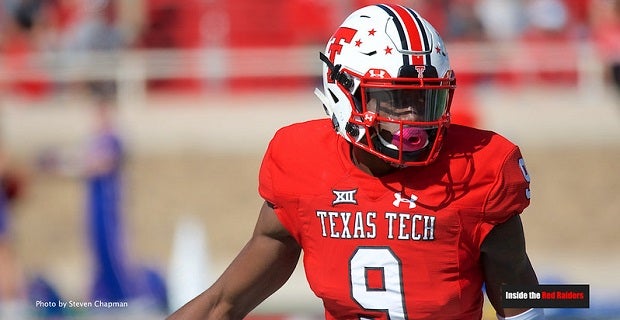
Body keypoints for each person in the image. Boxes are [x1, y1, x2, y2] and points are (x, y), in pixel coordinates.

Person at [167, 4, 543, 320]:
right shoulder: (301, 163)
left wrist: (573, 298)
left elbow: (524, 304)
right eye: (395, 100)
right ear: (340, 92)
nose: (415, 121)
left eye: (425, 100)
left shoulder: (481, 170)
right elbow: (224, 301)